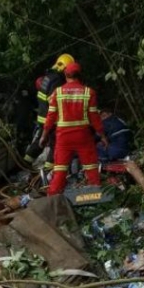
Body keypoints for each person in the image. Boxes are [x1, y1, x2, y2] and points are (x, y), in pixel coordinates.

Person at [40, 61, 109, 196]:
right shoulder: (89, 93)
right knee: (91, 168)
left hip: (63, 138)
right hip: (83, 136)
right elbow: (95, 118)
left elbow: (50, 117)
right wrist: (102, 136)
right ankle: (95, 196)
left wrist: (44, 135)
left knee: (60, 170)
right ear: (80, 75)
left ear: (65, 75)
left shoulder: (57, 93)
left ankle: (52, 198)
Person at [24, 53, 75, 167]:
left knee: (40, 141)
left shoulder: (48, 77)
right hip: (52, 120)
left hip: (43, 117)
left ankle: (25, 163)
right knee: (55, 144)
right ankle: (48, 171)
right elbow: (54, 102)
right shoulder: (57, 80)